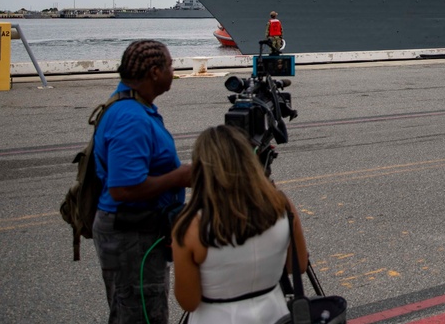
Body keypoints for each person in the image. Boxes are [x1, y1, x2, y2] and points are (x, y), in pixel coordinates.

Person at [93, 40, 191, 324]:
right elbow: (123, 188)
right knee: (141, 314)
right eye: (170, 66)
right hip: (132, 235)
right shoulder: (131, 118)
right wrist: (182, 176)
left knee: (132, 309)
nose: (174, 71)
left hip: (141, 228)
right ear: (155, 72)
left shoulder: (133, 105)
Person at [172, 125, 309, 323]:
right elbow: (299, 264)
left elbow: (189, 301)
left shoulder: (191, 225)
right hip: (275, 312)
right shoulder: (281, 205)